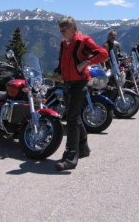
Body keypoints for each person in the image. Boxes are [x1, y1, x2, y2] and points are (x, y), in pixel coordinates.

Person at [53, 17, 108, 171]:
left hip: (79, 83)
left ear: (72, 28)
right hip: (67, 83)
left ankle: (71, 157)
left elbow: (103, 53)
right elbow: (61, 61)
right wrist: (59, 73)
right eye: (60, 31)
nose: (62, 33)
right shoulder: (64, 43)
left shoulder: (83, 40)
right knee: (74, 117)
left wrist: (86, 63)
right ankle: (83, 148)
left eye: (64, 30)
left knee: (71, 119)